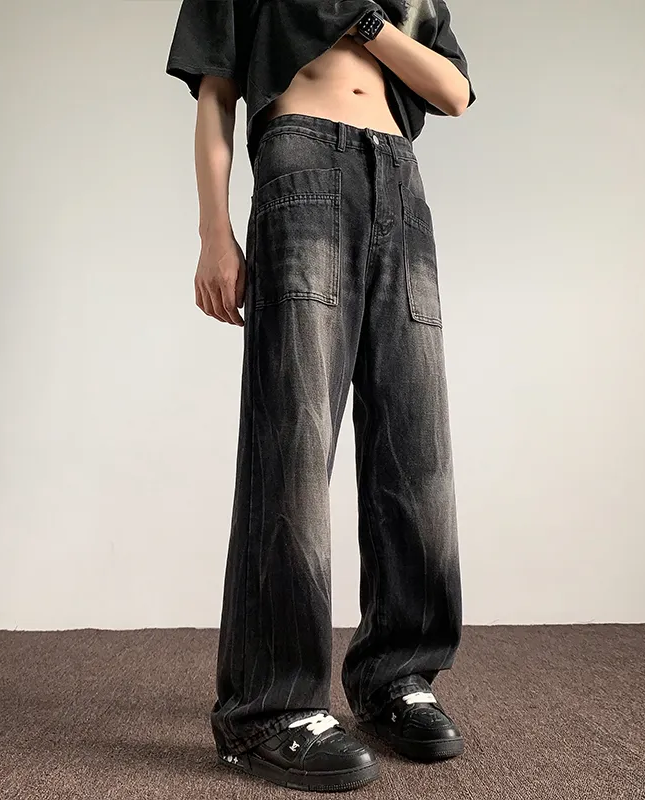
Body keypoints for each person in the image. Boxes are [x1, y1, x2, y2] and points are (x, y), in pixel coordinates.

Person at [166, 0, 475, 791]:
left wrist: (365, 23)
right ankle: (269, 709)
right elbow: (216, 92)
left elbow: (452, 92)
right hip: (300, 160)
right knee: (294, 445)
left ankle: (397, 676)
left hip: (399, 177)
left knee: (417, 450)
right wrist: (213, 233)